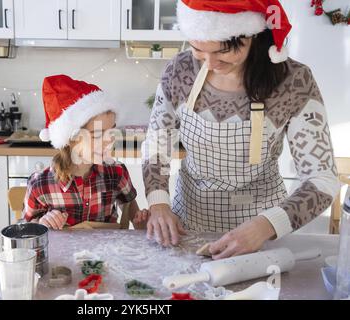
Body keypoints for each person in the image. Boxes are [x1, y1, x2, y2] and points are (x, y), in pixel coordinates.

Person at [142, 0, 340, 259]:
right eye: (199, 50)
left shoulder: (293, 81)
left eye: (223, 51)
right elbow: (157, 146)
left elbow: (322, 179)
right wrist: (158, 203)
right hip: (186, 224)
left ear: (253, 37)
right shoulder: (180, 70)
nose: (210, 63)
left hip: (262, 229)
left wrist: (266, 226)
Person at [24, 75, 149, 229]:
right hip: (63, 253)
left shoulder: (117, 172)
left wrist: (140, 223)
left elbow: (130, 210)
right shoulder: (40, 184)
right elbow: (29, 229)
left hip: (108, 252)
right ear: (71, 139)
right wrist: (42, 224)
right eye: (97, 134)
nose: (109, 140)